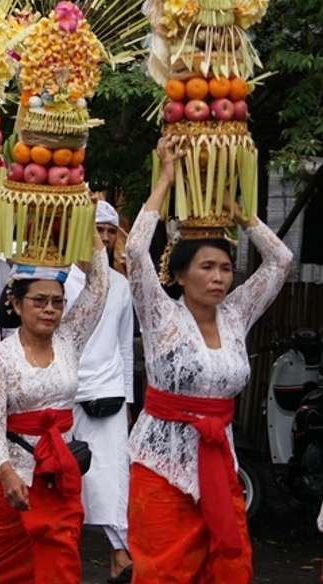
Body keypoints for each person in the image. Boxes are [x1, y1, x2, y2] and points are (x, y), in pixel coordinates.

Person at [124, 137, 291, 583]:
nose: (218, 277)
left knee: (226, 566)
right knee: (162, 571)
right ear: (179, 274)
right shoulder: (160, 315)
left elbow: (280, 261)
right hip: (160, 463)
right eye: (206, 267)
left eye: (224, 267)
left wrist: (245, 215)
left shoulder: (237, 313)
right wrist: (164, 182)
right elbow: (134, 254)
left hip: (218, 460)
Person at [0, 239, 109, 582]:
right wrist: (6, 474)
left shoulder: (69, 340)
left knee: (58, 561)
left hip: (56, 473)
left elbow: (99, 287)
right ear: (16, 304)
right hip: (2, 476)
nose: (49, 310)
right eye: (39, 301)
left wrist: (88, 230)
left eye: (57, 303)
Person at [64, 200, 135, 581]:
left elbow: (125, 345)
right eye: (97, 230)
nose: (104, 238)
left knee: (112, 476)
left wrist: (127, 399)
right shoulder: (58, 278)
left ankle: (119, 553)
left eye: (109, 231)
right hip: (63, 388)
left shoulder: (121, 285)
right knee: (62, 475)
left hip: (108, 391)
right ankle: (59, 551)